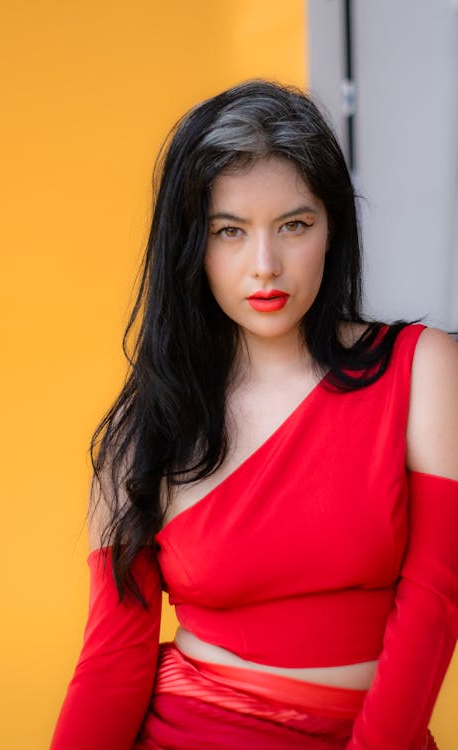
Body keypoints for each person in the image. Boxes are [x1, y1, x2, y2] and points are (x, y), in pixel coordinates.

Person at [50, 80, 458, 749]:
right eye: (229, 232)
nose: (264, 266)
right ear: (191, 249)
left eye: (294, 225)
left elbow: (437, 599)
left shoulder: (421, 369)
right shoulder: (148, 427)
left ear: (333, 229)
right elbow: (111, 667)